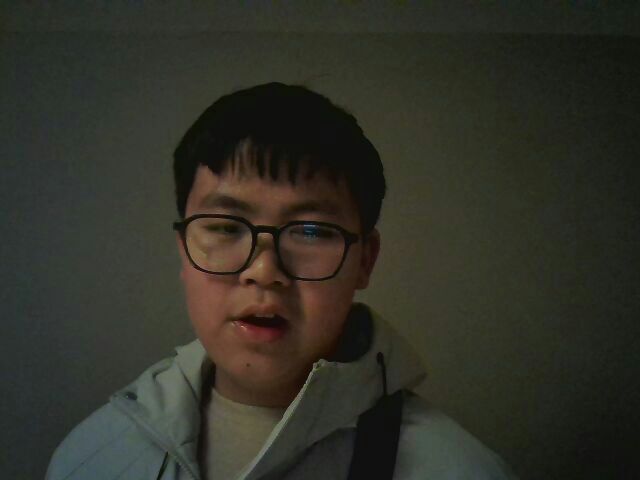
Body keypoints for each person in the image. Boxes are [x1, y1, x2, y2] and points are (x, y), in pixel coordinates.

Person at [46, 82, 516, 479]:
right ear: (183, 250)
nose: (264, 271)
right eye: (225, 227)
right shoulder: (93, 455)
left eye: (310, 231)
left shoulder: (457, 469)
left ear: (365, 261)